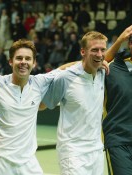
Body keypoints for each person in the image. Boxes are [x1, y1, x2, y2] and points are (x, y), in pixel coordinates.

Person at [0, 39, 64, 175]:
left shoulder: (39, 82)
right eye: (19, 58)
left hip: (28, 163)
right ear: (10, 61)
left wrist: (100, 60)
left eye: (28, 58)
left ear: (34, 62)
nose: (23, 62)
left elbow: (65, 69)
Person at [42, 31, 108, 175]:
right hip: (72, 152)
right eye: (94, 50)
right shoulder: (65, 77)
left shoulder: (103, 73)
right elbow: (42, 105)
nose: (99, 54)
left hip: (96, 150)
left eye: (103, 50)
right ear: (83, 52)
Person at [103, 25, 132, 175]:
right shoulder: (110, 68)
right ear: (130, 44)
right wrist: (120, 39)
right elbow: (87, 66)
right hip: (118, 141)